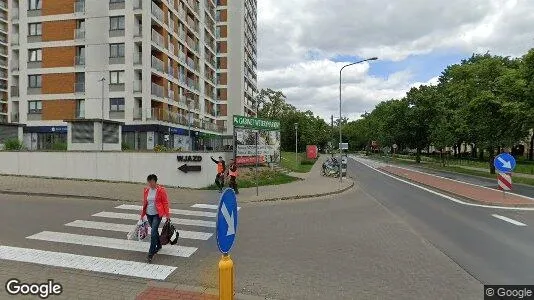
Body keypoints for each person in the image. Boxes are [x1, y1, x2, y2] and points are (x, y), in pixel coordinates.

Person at [140, 174, 170, 263]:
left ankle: (150, 254)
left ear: (155, 181)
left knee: (153, 233)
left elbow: (165, 203)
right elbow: (146, 203)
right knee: (155, 230)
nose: (150, 184)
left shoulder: (161, 190)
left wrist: (167, 215)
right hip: (149, 214)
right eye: (149, 182)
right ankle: (159, 245)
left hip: (157, 214)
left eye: (152, 182)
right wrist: (142, 215)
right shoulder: (146, 190)